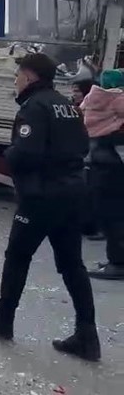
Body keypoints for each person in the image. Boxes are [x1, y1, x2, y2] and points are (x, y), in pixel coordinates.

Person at [0, 53, 100, 362]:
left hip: (41, 195)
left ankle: (4, 318)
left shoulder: (35, 107)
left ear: (29, 77)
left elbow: (26, 153)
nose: (15, 80)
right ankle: (87, 335)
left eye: (18, 74)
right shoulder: (67, 105)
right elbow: (83, 145)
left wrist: (10, 153)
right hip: (71, 193)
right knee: (72, 265)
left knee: (17, 255)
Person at [80, 68, 124, 281]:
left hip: (100, 159)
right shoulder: (116, 100)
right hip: (111, 162)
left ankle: (117, 261)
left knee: (110, 215)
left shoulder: (93, 98)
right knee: (115, 215)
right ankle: (117, 261)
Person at [72, 78, 104, 240]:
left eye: (77, 90)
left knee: (90, 192)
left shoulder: (92, 108)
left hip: (90, 156)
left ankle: (91, 226)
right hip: (85, 156)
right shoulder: (78, 106)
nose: (74, 94)